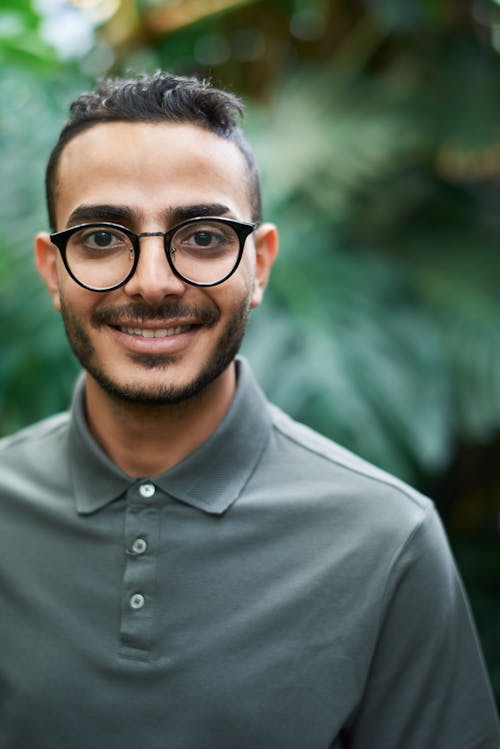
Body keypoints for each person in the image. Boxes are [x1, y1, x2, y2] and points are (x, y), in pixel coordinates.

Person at [0, 72, 498, 749]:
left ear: (258, 265)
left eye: (203, 237)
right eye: (102, 238)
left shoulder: (386, 540)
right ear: (53, 271)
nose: (153, 282)